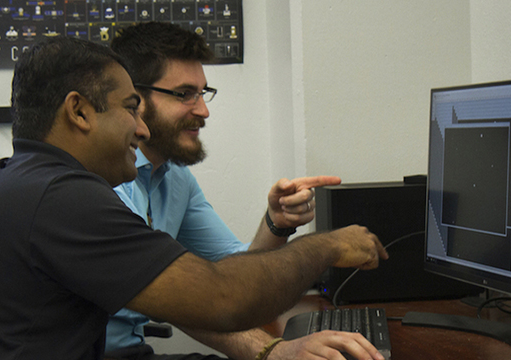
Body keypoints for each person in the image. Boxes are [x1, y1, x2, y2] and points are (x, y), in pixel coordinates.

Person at [0, 36, 387, 360]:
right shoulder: (60, 198)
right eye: (131, 108)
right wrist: (325, 247)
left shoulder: (34, 180)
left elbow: (222, 281)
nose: (139, 126)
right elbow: (220, 298)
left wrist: (279, 230)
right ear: (80, 112)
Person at [105, 21, 358, 360]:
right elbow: (199, 298)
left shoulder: (175, 178)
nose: (203, 110)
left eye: (203, 92)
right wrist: (274, 351)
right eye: (184, 94)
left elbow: (234, 270)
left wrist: (276, 223)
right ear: (135, 99)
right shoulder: (104, 182)